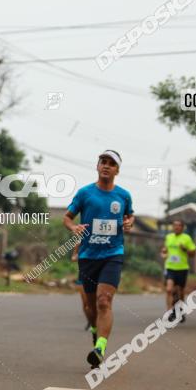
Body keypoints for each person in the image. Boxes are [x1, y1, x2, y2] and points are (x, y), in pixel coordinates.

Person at [63, 150, 135, 370]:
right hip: (88, 256)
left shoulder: (123, 195)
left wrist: (129, 222)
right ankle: (96, 333)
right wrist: (74, 227)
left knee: (104, 301)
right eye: (103, 162)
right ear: (97, 166)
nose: (106, 166)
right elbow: (67, 217)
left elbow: (130, 215)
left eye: (111, 163)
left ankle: (101, 348)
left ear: (117, 170)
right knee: (91, 306)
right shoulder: (85, 193)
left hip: (113, 254)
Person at [159, 219, 196, 323]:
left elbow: (193, 254)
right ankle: (169, 312)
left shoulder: (187, 238)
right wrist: (163, 253)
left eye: (178, 226)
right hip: (170, 267)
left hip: (182, 268)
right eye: (174, 225)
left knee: (180, 291)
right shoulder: (169, 237)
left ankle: (180, 310)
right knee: (169, 289)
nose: (176, 227)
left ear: (182, 227)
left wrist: (185, 249)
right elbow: (164, 249)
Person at [71, 246, 92, 333]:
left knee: (97, 302)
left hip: (96, 278)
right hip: (82, 279)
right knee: (86, 305)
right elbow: (73, 258)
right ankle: (90, 321)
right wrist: (76, 250)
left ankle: (97, 322)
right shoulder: (80, 245)